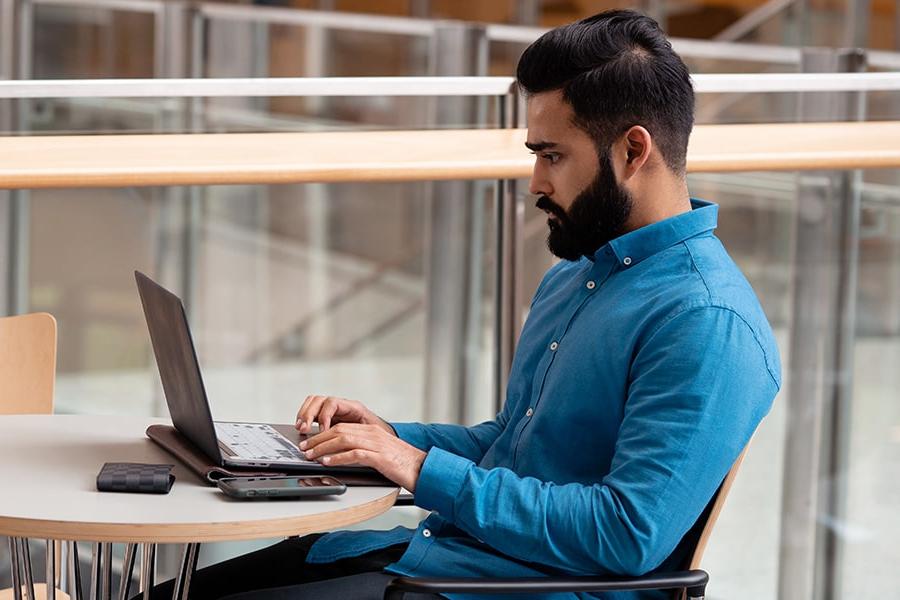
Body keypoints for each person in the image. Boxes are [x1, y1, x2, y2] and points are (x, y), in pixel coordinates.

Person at [145, 9, 781, 600]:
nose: (536, 182)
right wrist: (384, 440)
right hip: (436, 559)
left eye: (552, 156)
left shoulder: (704, 322)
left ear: (633, 151)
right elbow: (515, 444)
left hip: (509, 589)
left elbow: (626, 534)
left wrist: (420, 469)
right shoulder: (580, 275)